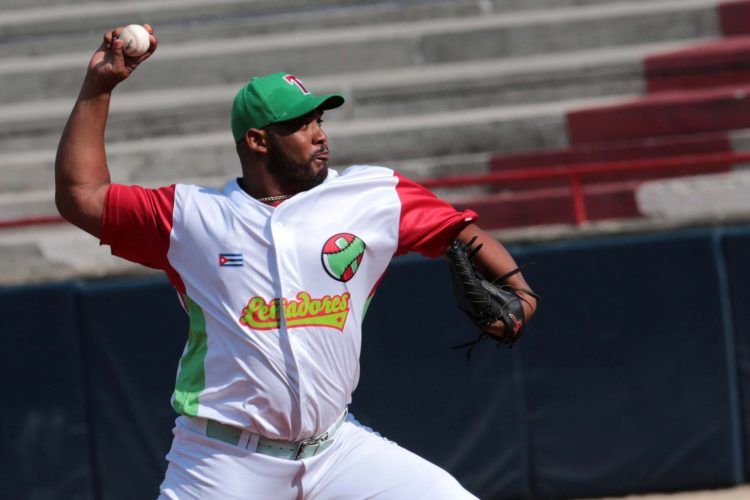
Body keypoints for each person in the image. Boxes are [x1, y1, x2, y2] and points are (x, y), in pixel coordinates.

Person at [55, 25, 538, 500]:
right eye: (299, 125)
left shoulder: (370, 196)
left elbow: (459, 229)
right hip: (223, 461)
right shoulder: (192, 216)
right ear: (258, 141)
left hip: (335, 451)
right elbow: (81, 196)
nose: (318, 135)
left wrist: (521, 293)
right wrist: (99, 86)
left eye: (319, 121)